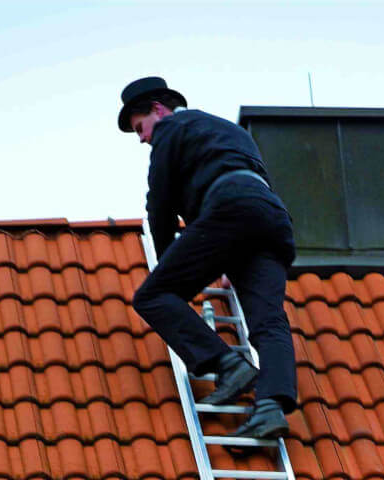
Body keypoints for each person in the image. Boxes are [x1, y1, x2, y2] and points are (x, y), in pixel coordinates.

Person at [119, 76, 297, 439]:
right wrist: (235, 261)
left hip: (230, 208)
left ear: (158, 109)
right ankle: (270, 407)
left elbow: (161, 202)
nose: (142, 138)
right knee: (268, 321)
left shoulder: (172, 127)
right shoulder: (230, 131)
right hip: (271, 220)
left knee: (153, 297)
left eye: (140, 127)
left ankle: (227, 364)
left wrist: (169, 264)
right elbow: (247, 187)